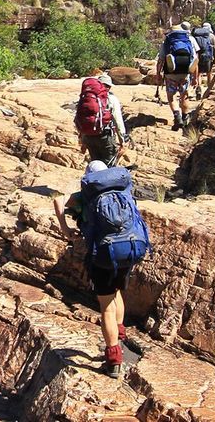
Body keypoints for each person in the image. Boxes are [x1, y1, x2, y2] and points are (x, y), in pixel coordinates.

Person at [55, 160, 151, 379]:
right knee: (117, 292)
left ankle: (113, 359)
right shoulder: (122, 188)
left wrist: (65, 228)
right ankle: (120, 335)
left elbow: (57, 200)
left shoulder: (84, 196)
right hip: (130, 249)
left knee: (106, 304)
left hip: (104, 254)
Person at [74, 73, 129, 167]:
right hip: (105, 137)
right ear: (108, 86)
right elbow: (118, 121)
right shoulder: (111, 99)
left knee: (96, 165)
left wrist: (82, 140)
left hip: (89, 137)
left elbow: (81, 119)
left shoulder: (87, 98)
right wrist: (123, 141)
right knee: (109, 167)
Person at [156, 23, 198, 129]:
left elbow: (161, 60)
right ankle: (185, 117)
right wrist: (195, 77)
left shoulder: (167, 41)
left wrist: (158, 74)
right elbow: (194, 60)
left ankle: (177, 116)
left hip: (170, 74)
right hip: (185, 72)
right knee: (184, 96)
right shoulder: (189, 40)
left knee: (171, 96)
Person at [190, 22, 215, 99]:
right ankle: (209, 91)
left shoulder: (196, 36)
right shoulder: (211, 36)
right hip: (208, 57)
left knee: (199, 74)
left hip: (198, 57)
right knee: (209, 73)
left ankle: (198, 89)